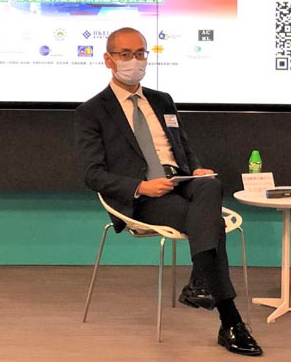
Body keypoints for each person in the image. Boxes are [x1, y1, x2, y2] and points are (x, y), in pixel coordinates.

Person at [75, 27, 262, 356]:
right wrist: (141, 186)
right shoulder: (92, 112)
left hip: (182, 182)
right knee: (211, 224)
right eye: (125, 54)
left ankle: (200, 282)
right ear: (108, 60)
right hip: (143, 197)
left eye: (140, 53)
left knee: (210, 184)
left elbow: (183, 149)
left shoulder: (163, 101)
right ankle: (230, 320)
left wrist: (196, 169)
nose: (134, 61)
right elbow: (92, 174)